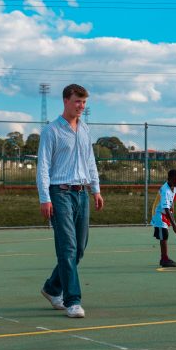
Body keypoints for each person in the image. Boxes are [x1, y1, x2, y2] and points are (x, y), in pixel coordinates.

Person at [37, 84, 103, 318]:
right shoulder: (51, 131)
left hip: (81, 193)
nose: (81, 106)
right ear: (65, 101)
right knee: (67, 248)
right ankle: (72, 300)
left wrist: (95, 190)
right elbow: (43, 166)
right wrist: (45, 198)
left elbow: (90, 161)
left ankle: (52, 287)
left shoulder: (85, 130)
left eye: (84, 102)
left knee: (79, 249)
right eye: (77, 101)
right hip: (60, 193)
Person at [151, 169, 176, 267]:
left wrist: (173, 215)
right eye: (175, 181)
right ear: (169, 179)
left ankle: (165, 258)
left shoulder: (174, 188)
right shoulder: (165, 190)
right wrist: (173, 224)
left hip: (166, 212)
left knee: (165, 234)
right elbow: (166, 208)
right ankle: (164, 259)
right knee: (164, 234)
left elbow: (172, 204)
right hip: (159, 213)